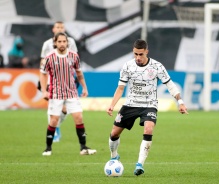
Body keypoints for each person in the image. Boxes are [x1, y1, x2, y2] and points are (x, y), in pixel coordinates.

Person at [106, 39, 188, 176]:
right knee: (114, 133)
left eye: (140, 54)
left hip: (149, 104)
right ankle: (114, 156)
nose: (138, 57)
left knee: (149, 129)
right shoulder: (127, 66)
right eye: (135, 54)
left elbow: (170, 84)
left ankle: (139, 165)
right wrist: (112, 105)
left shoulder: (157, 66)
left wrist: (180, 102)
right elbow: (120, 88)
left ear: (146, 52)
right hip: (130, 104)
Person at [40, 32, 96, 156]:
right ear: (55, 43)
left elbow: (79, 73)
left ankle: (83, 147)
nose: (62, 44)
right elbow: (43, 74)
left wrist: (85, 88)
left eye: (64, 41)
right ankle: (48, 148)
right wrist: (44, 90)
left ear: (67, 43)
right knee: (54, 121)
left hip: (71, 92)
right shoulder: (49, 57)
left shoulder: (73, 56)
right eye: (59, 41)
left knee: (79, 118)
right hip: (56, 93)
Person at [40, 21, 78, 142]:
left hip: (68, 79)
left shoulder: (70, 42)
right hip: (52, 78)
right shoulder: (47, 44)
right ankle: (54, 130)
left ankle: (56, 126)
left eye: (61, 26)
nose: (60, 28)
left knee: (65, 109)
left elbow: (75, 59)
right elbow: (43, 61)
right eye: (57, 27)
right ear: (53, 29)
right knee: (52, 105)